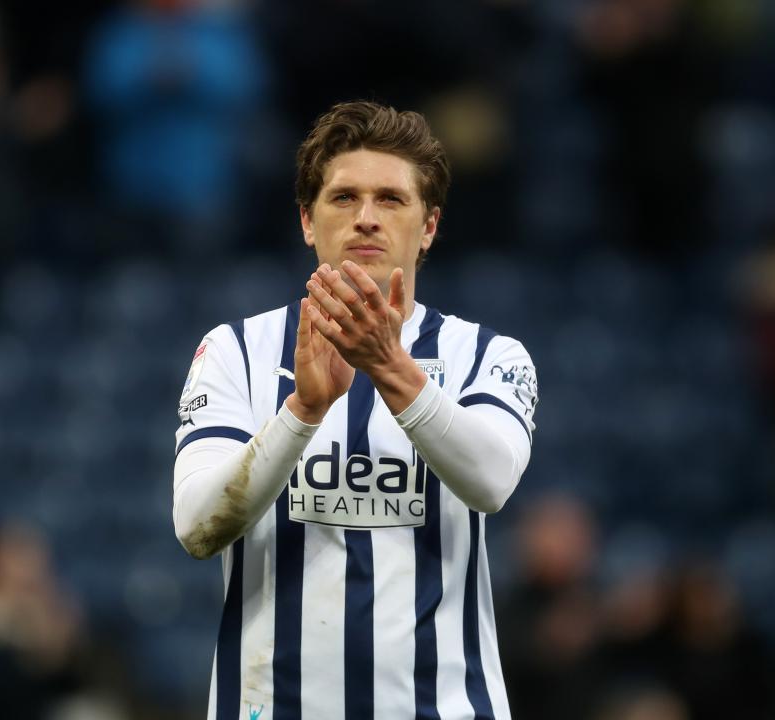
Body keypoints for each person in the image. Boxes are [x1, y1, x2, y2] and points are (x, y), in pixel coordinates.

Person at [173, 101, 538, 719]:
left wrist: (389, 368)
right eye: (344, 198)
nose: (366, 219)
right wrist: (302, 411)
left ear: (428, 227)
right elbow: (197, 527)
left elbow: (491, 482)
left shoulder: (488, 355)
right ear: (307, 222)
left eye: (391, 200)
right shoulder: (234, 350)